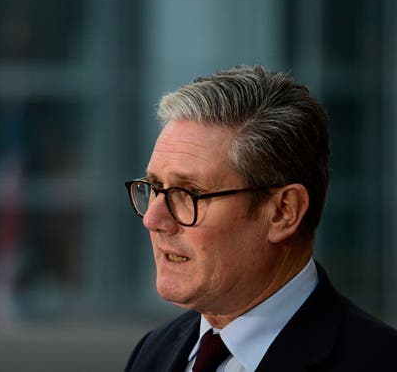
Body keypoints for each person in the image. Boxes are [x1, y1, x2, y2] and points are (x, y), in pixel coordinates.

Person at [124, 65, 397, 371]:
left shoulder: (379, 361)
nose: (153, 219)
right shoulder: (152, 353)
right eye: (155, 187)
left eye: (189, 193)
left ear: (283, 212)